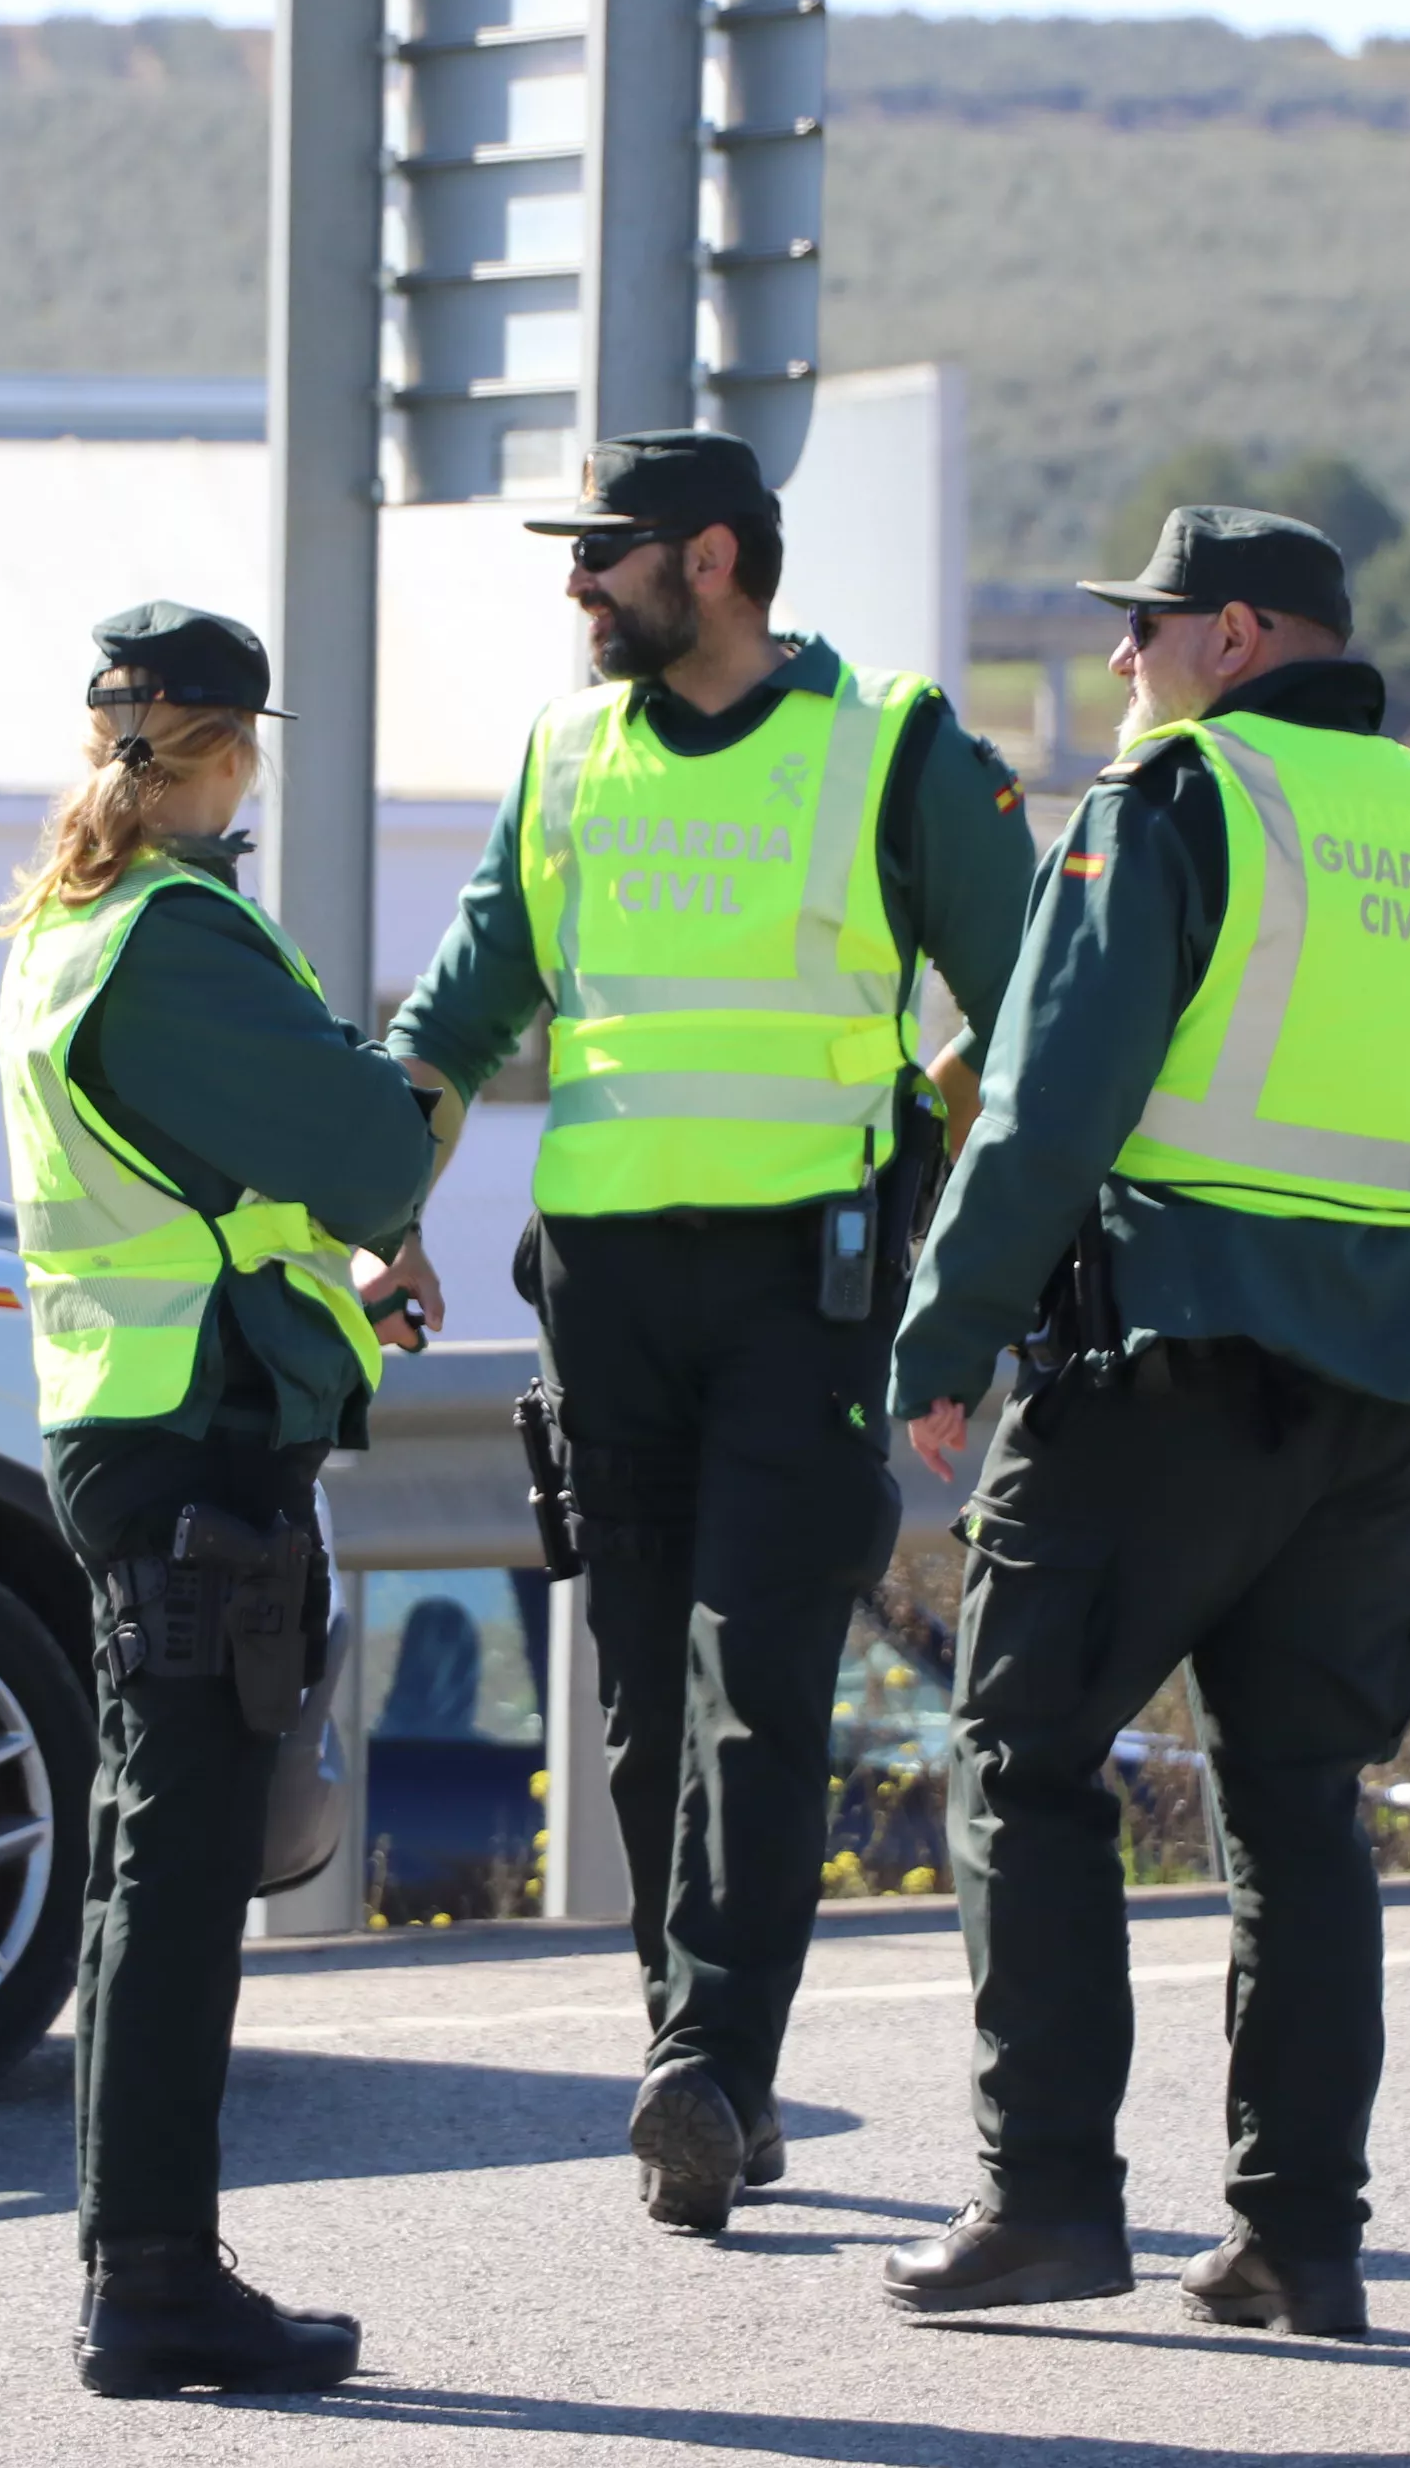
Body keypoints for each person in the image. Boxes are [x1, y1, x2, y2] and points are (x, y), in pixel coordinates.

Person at [873, 507, 1410, 2336]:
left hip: (1164, 1367)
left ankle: (1051, 2202)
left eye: (1143, 630)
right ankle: (1299, 2244)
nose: (1119, 664)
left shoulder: (1177, 804)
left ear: (1234, 636)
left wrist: (948, 1337)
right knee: (1301, 1802)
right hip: (1384, 1383)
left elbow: (1046, 1104)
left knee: (1019, 1756)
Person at [377, 430, 1036, 2232]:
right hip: (605, 1292)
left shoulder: (891, 746)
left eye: (609, 552)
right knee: (645, 1699)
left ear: (717, 561)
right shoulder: (568, 754)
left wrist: (931, 1138)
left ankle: (719, 2064)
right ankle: (698, 2072)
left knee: (761, 1683)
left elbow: (1037, 995)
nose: (577, 583)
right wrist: (383, 1210)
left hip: (803, 1292)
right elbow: (459, 1007)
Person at [0, 599, 442, 2397]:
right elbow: (365, 1136)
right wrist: (374, 1118)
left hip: (130, 1418)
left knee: (150, 1855)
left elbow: (229, 1184)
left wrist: (352, 1259)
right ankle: (154, 2281)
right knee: (178, 1870)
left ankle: (144, 2262)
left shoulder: (69, 924)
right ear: (234, 749)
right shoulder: (181, 935)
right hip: (198, 1441)